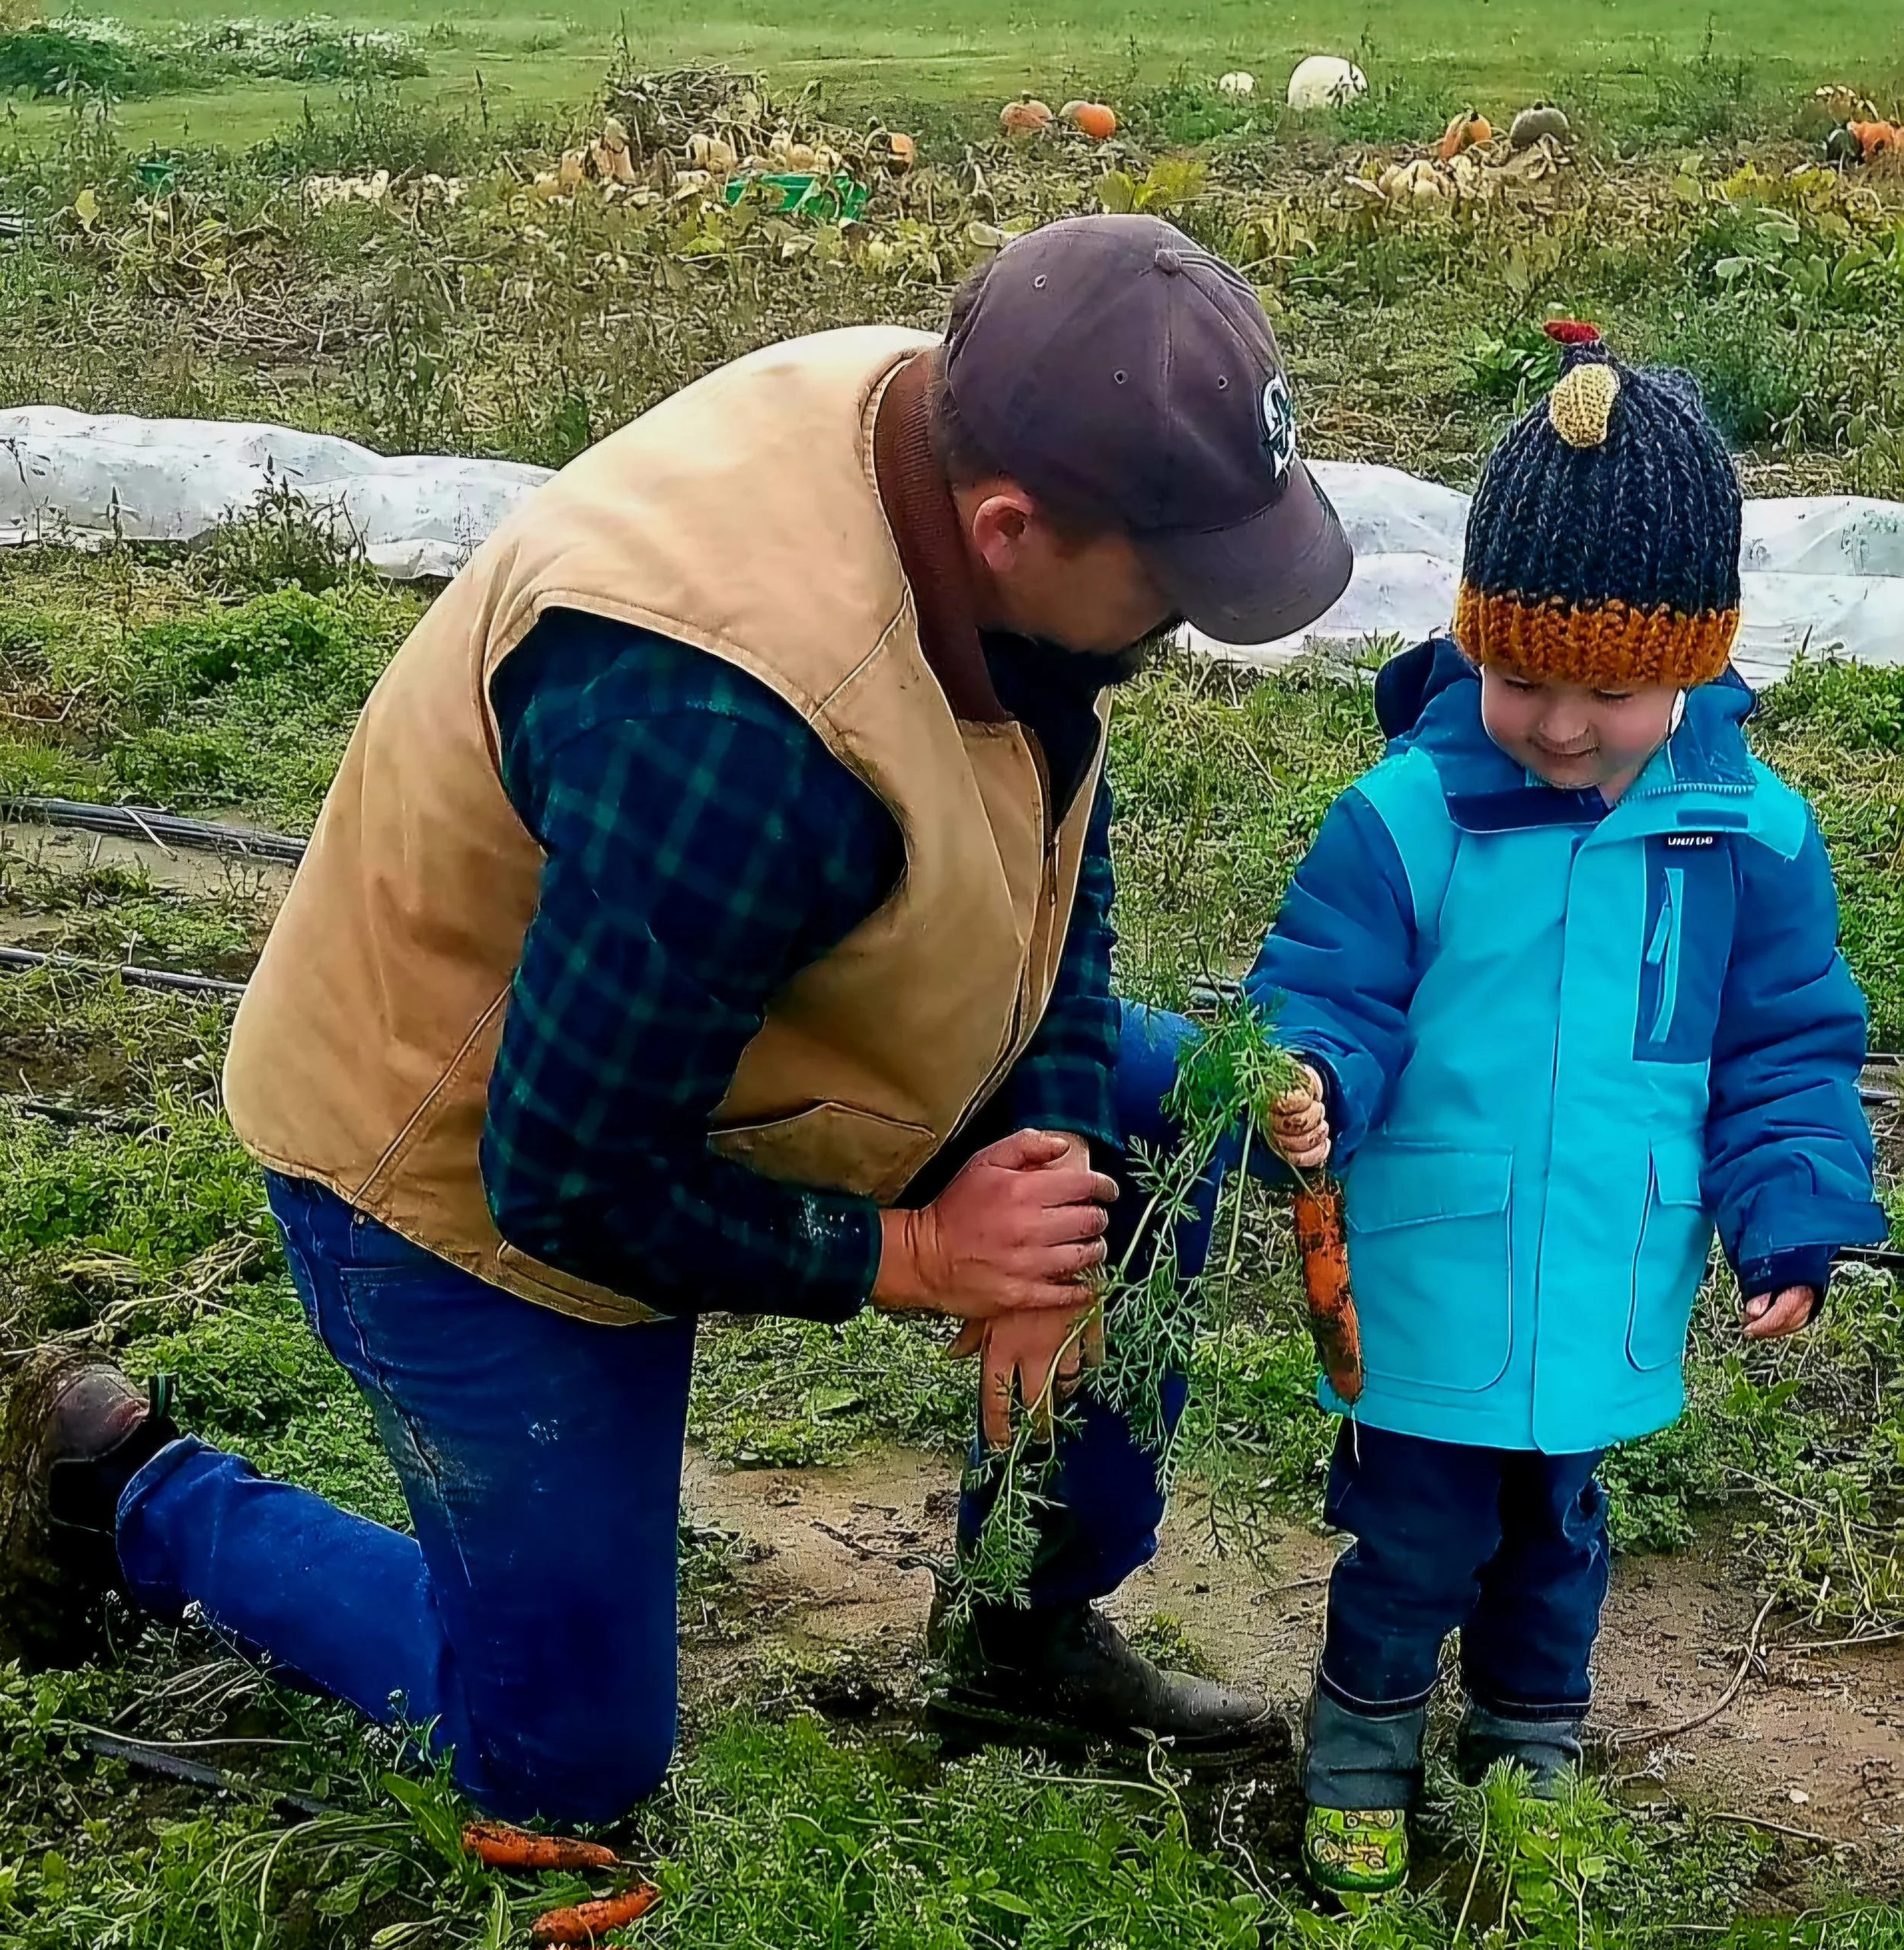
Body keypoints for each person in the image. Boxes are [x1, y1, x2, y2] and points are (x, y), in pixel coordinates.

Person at [0, 214, 1352, 1822]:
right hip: (467, 1152)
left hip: (706, 1013)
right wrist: (924, 1258)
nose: (1186, 621)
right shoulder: (725, 716)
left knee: (1153, 1117)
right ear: (1006, 528)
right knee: (564, 1755)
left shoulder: (962, 440)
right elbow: (569, 1176)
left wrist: (1047, 1199)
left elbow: (1057, 843)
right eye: (1175, 583)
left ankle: (1021, 1624)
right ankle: (127, 1488)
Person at [1248, 325, 1888, 1898]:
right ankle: (1359, 1750)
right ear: (1472, 637)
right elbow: (1326, 983)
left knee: (1556, 1535)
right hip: (1426, 1268)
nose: (1555, 722)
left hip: (1610, 1264)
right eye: (1520, 673)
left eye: (1612, 689)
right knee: (1407, 1538)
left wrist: (1789, 1204)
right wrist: (1313, 1078)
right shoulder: (1403, 814)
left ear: (1697, 659)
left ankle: (1527, 1741)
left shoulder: (1742, 833)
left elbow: (1784, 1043)